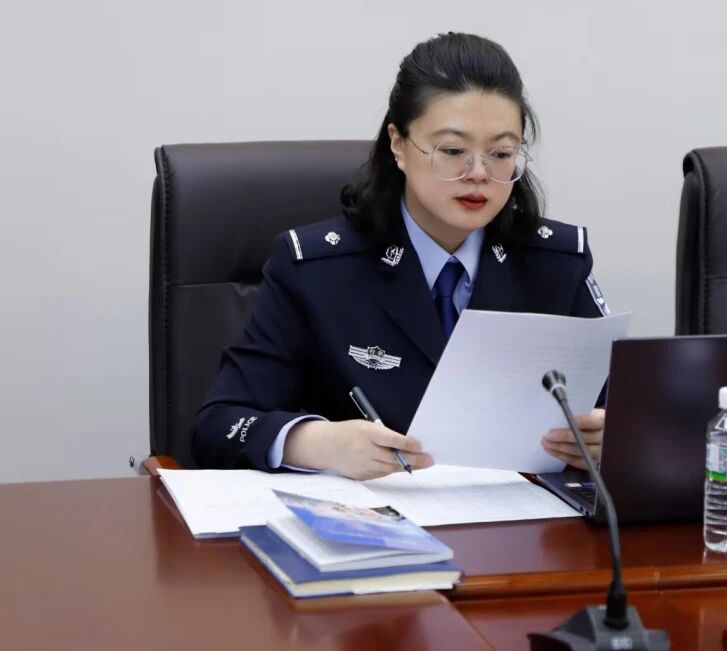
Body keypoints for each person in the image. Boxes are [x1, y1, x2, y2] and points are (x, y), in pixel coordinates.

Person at [192, 33, 610, 479]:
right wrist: (317, 443)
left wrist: (614, 435)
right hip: (375, 515)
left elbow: (624, 409)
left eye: (501, 153)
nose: (478, 174)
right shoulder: (314, 270)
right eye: (453, 151)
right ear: (398, 144)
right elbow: (217, 426)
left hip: (527, 517)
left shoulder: (556, 264)